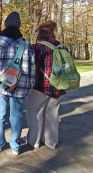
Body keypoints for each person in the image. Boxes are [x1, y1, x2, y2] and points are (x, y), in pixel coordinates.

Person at [0, 11, 35, 155]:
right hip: (20, 86)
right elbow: (32, 68)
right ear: (19, 26)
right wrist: (30, 84)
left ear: (6, 25)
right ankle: (15, 146)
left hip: (0, 85)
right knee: (17, 116)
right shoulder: (26, 44)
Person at [26, 21, 66, 150]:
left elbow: (33, 67)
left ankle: (34, 141)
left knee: (34, 113)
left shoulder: (37, 47)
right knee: (52, 115)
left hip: (40, 86)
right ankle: (51, 142)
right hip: (57, 85)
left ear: (40, 34)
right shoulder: (61, 46)